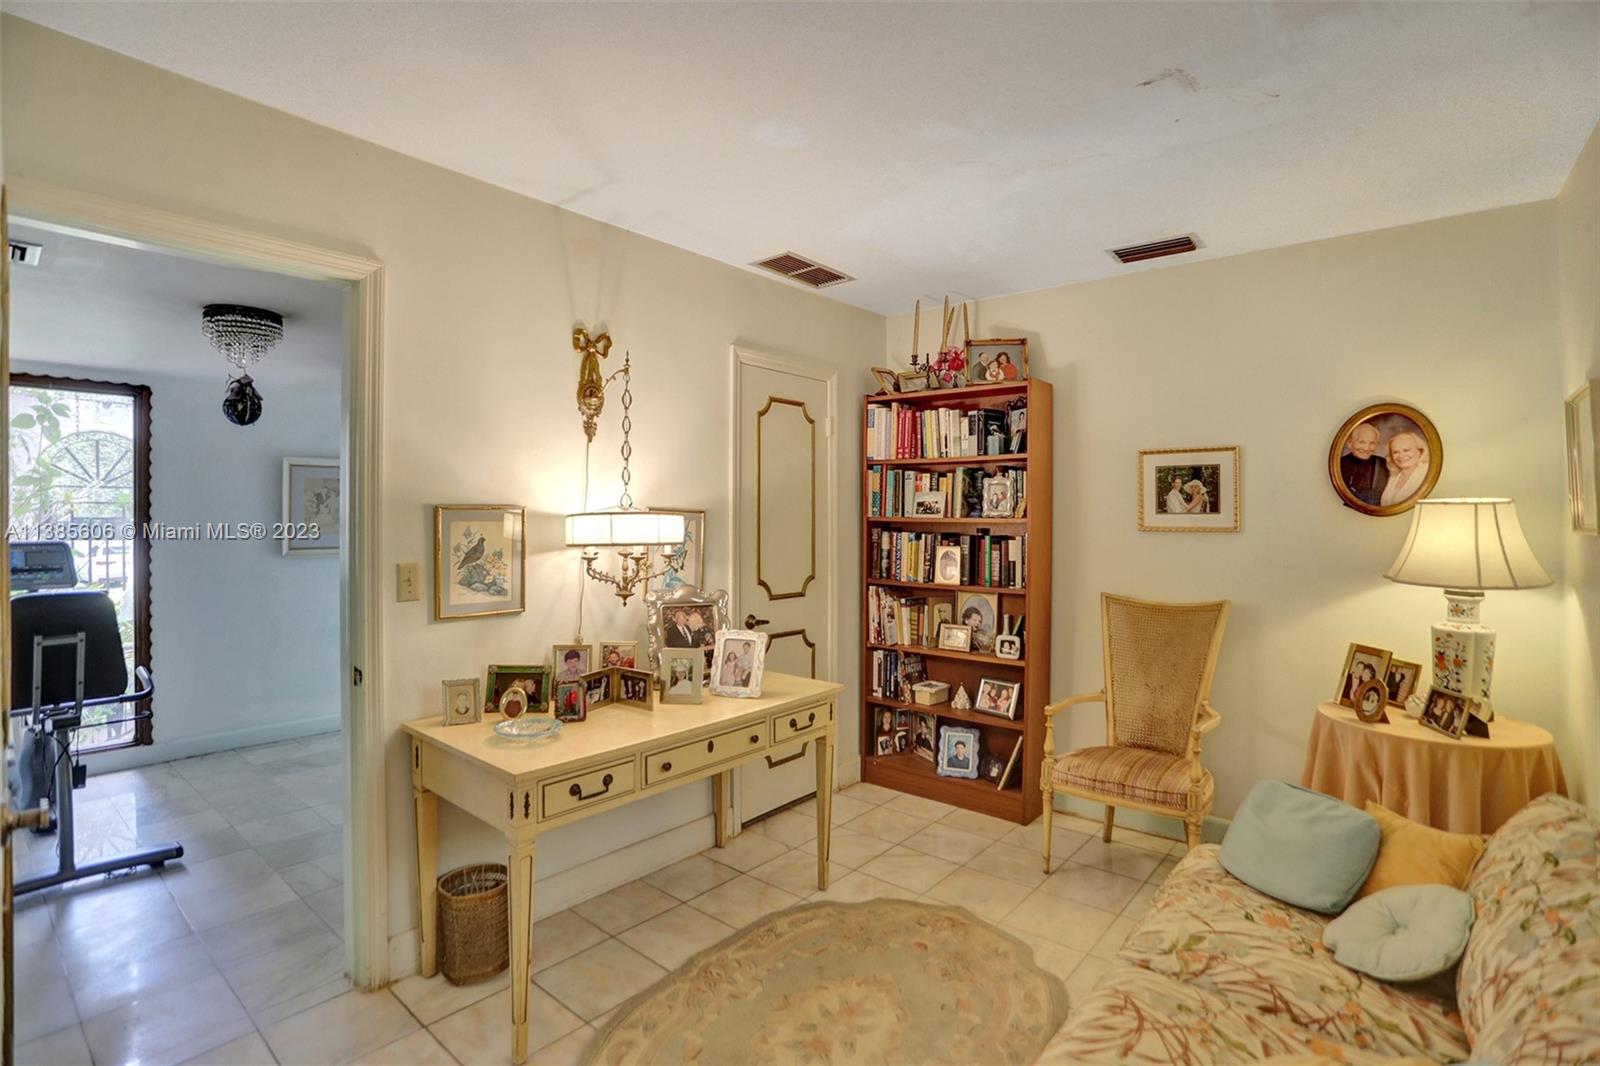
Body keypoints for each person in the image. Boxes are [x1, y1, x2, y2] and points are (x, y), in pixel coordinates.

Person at [1339, 422, 1389, 506]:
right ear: (1349, 444)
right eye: (1362, 442)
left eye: (1372, 443)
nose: (1366, 448)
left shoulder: (1384, 465)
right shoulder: (1339, 465)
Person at [1380, 431, 1430, 508]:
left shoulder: (1427, 473)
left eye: (1406, 450)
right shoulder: (1393, 477)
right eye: (1395, 452)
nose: (1401, 455)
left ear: (1420, 451)